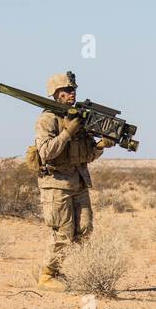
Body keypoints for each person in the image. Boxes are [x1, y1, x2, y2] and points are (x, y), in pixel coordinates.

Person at [34, 72, 112, 291]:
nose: (72, 94)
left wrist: (101, 146)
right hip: (56, 184)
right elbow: (47, 152)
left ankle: (71, 271)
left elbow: (86, 155)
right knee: (63, 234)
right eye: (67, 90)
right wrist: (68, 131)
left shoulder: (78, 118)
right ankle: (48, 275)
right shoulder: (48, 119)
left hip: (78, 182)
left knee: (85, 230)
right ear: (56, 94)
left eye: (73, 90)